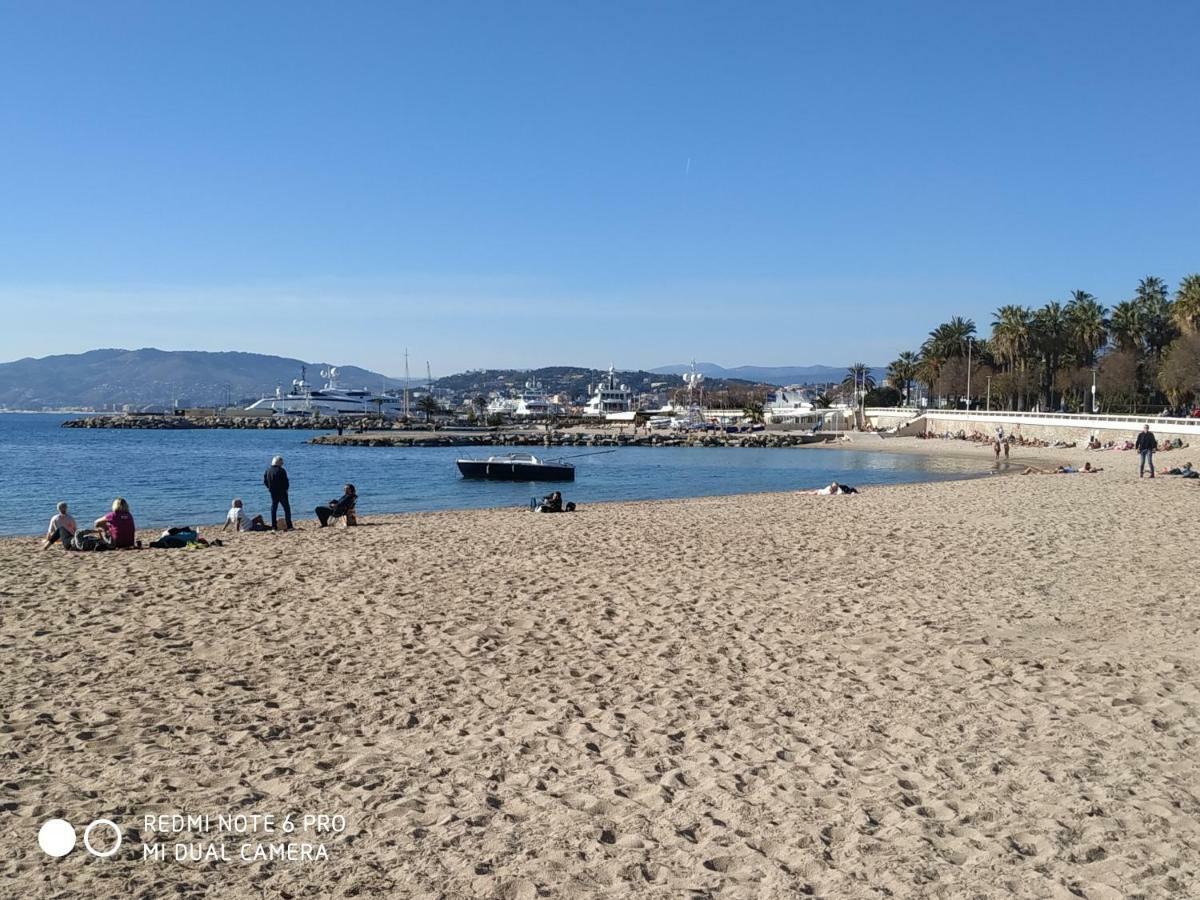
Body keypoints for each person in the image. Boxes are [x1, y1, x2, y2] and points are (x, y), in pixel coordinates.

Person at [264, 455, 293, 530]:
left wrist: (269, 488)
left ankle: (274, 526)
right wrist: (286, 489)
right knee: (286, 509)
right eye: (281, 462)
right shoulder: (281, 470)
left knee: (274, 509)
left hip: (273, 492)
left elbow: (265, 481)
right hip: (282, 492)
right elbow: (286, 482)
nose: (282, 464)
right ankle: (289, 525)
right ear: (279, 462)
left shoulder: (268, 470)